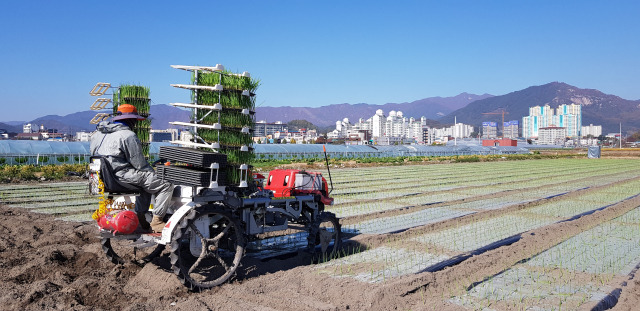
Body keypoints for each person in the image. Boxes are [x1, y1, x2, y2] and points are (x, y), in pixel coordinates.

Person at [90, 104, 173, 233]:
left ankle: (141, 217)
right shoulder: (128, 135)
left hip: (102, 177)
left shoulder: (97, 134)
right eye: (135, 120)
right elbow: (139, 164)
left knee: (146, 182)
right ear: (131, 120)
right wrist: (154, 172)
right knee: (165, 184)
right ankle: (157, 221)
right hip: (121, 175)